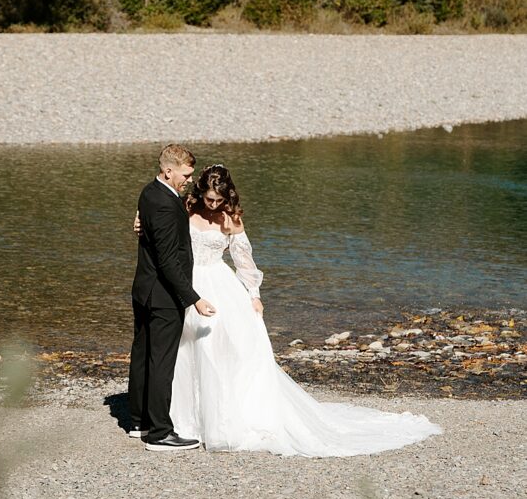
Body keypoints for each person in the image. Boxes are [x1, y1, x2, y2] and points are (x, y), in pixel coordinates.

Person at [168, 164, 443, 456]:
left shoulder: (231, 219)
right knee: (184, 349)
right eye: (209, 199)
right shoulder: (186, 206)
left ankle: (219, 420)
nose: (213, 204)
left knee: (219, 348)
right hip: (188, 280)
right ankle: (184, 421)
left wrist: (254, 295)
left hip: (219, 283)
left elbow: (244, 260)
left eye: (218, 200)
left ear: (227, 197)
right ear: (200, 192)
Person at [128, 144, 217, 452]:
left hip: (143, 289)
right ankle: (159, 433)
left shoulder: (149, 192)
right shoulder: (166, 203)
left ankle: (138, 420)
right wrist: (194, 298)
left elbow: (150, 232)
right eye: (186, 174)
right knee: (161, 361)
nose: (189, 180)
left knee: (143, 355)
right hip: (162, 295)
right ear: (169, 171)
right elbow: (168, 261)